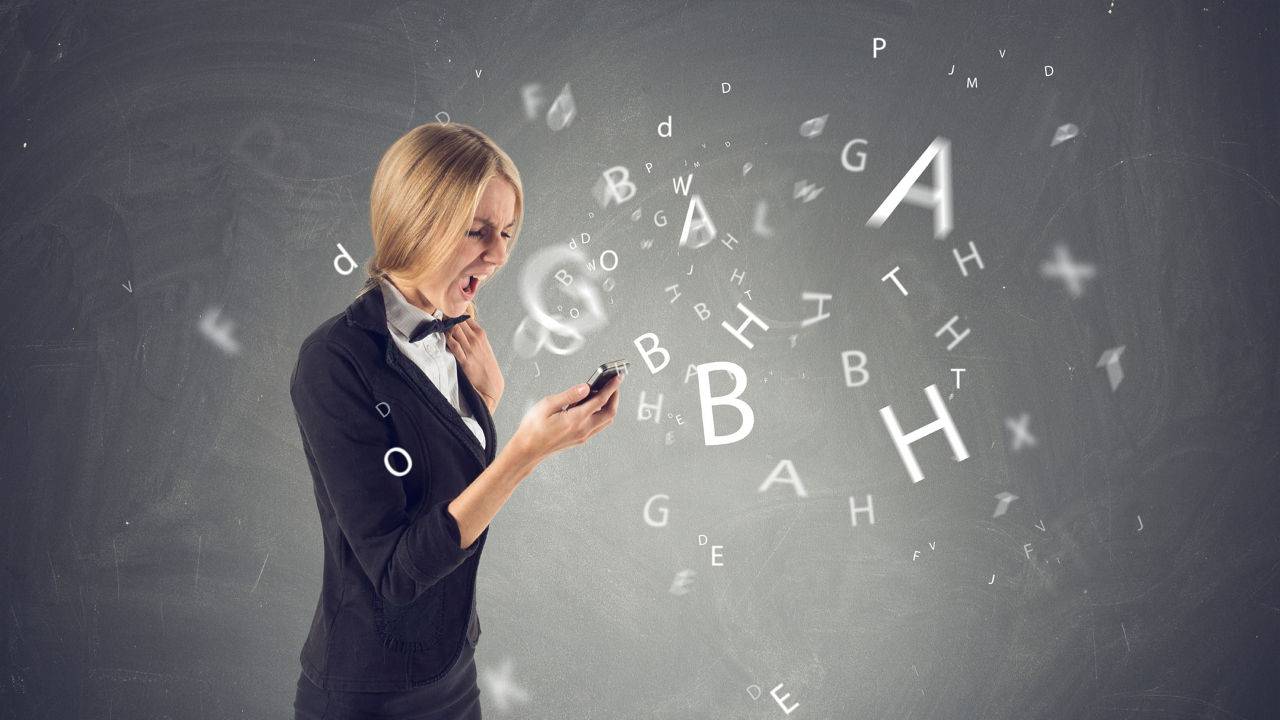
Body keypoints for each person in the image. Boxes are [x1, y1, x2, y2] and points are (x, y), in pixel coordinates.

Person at [288, 122, 622, 719]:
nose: (498, 256)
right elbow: (395, 572)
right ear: (416, 221)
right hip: (369, 694)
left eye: (507, 234)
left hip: (450, 669)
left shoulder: (456, 341)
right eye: (477, 232)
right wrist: (522, 452)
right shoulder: (333, 361)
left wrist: (485, 406)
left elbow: (432, 495)